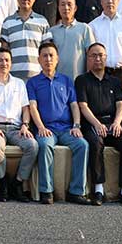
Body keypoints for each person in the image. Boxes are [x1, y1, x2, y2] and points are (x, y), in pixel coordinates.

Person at [76, 43, 122, 207]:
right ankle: (98, 190)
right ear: (88, 58)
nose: (97, 59)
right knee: (96, 143)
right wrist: (97, 124)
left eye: (101, 55)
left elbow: (121, 104)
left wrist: (117, 122)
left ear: (106, 58)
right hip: (92, 123)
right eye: (94, 55)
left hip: (112, 123)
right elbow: (83, 106)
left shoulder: (115, 81)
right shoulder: (82, 80)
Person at [26, 41, 90, 205]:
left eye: (51, 55)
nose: (48, 59)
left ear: (57, 59)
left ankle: (77, 191)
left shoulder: (66, 81)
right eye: (44, 56)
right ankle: (46, 190)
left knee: (82, 145)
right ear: (39, 60)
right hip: (46, 129)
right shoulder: (32, 82)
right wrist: (40, 127)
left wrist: (76, 125)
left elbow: (74, 105)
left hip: (67, 128)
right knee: (44, 145)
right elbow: (32, 107)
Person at [0, 48, 39, 203]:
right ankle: (2, 183)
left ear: (11, 63)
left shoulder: (19, 83)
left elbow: (25, 108)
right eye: (0, 60)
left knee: (33, 146)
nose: (4, 63)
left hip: (16, 128)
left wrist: (25, 125)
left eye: (7, 60)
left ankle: (18, 183)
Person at [0, 0, 52, 80]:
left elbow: (47, 49)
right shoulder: (7, 22)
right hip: (13, 76)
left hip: (37, 75)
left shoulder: (42, 21)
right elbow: (4, 50)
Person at [49, 0, 95, 80]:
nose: (66, 8)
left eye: (69, 4)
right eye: (62, 4)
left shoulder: (84, 28)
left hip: (79, 80)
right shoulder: (52, 31)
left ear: (75, 8)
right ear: (58, 8)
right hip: (57, 80)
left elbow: (91, 55)